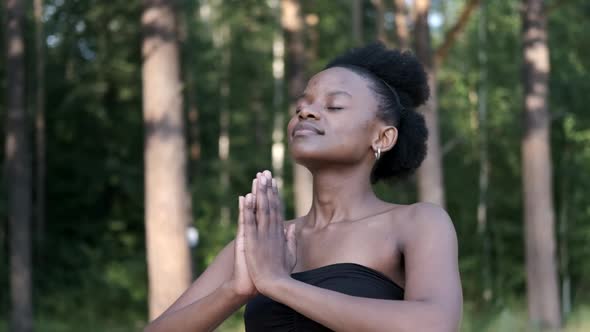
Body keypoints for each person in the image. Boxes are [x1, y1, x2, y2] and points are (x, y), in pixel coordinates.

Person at [144, 42, 462, 332]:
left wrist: (278, 284)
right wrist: (235, 292)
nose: (306, 112)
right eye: (300, 107)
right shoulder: (262, 242)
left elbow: (434, 325)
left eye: (334, 106)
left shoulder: (418, 223)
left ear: (382, 137)